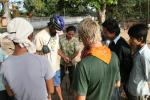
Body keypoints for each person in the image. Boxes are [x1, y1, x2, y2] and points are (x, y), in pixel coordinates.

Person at [0, 18, 55, 100]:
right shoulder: (42, 61)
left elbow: (10, 93)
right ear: (29, 36)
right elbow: (51, 89)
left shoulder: (4, 65)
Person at [73, 18, 121, 100]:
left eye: (81, 38)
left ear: (86, 38)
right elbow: (118, 83)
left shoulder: (83, 65)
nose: (81, 41)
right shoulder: (114, 56)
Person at [34, 16, 65, 100]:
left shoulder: (56, 34)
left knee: (57, 85)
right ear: (51, 26)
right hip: (45, 69)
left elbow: (56, 49)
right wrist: (41, 52)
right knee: (48, 89)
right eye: (56, 30)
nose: (57, 32)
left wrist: (64, 56)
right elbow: (34, 54)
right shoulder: (39, 36)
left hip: (55, 67)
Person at [102, 18, 132, 99]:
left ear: (113, 33)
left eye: (105, 32)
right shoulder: (112, 42)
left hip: (118, 81)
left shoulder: (123, 47)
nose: (103, 34)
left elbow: (127, 68)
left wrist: (120, 82)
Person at [127, 24, 150, 100]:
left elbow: (148, 77)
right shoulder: (137, 50)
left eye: (131, 38)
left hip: (139, 93)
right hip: (132, 89)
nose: (129, 40)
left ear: (140, 39)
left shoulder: (145, 54)